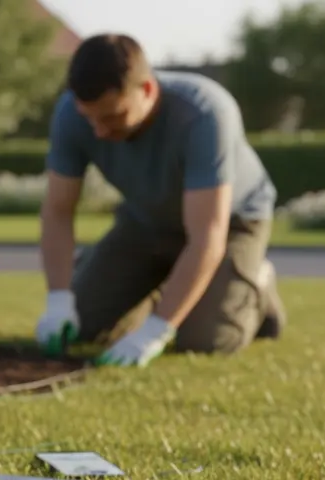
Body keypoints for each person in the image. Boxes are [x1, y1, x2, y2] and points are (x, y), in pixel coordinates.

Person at [34, 33, 286, 367]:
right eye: (89, 117)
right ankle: (163, 285)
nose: (99, 132)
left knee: (205, 341)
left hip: (230, 225)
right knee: (82, 327)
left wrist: (155, 331)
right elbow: (57, 212)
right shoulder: (70, 113)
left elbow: (206, 236)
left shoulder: (203, 113)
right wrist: (59, 300)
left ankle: (256, 282)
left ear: (148, 90)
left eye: (112, 117)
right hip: (146, 220)